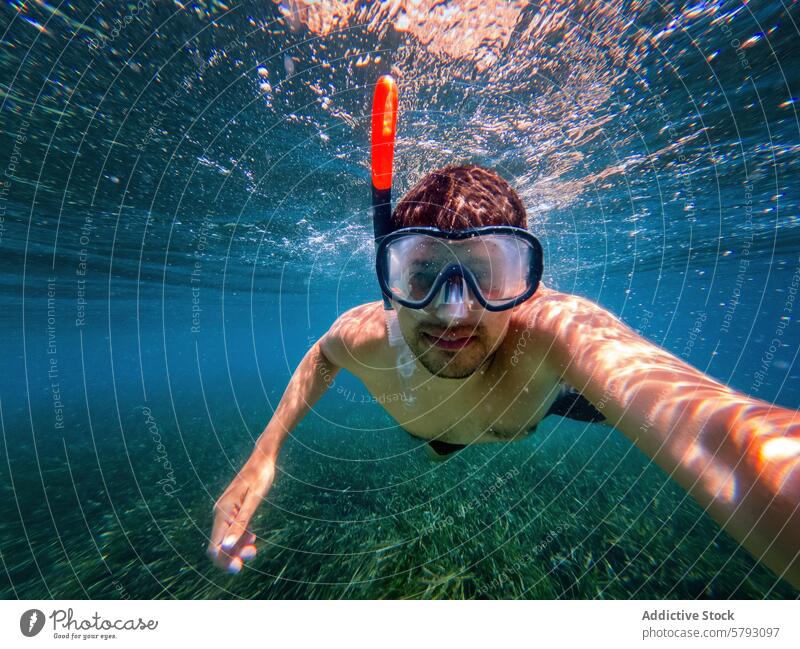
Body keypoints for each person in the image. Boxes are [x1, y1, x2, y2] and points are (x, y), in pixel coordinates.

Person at [208, 165, 799, 588]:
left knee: (601, 403)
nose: (456, 309)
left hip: (545, 398)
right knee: (439, 445)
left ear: (527, 285)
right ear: (391, 278)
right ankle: (445, 438)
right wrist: (265, 452)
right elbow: (321, 356)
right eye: (423, 276)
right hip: (439, 428)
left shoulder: (556, 332)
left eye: (489, 275)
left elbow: (730, 440)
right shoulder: (366, 337)